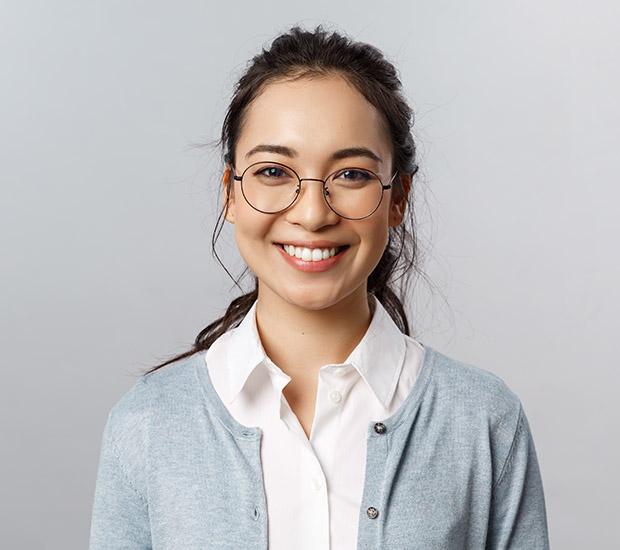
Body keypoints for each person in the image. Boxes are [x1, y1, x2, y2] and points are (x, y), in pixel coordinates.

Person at [89, 25, 550, 549]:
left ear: (397, 197)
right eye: (273, 171)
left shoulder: (483, 420)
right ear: (231, 194)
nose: (311, 214)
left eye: (351, 175)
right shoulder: (148, 424)